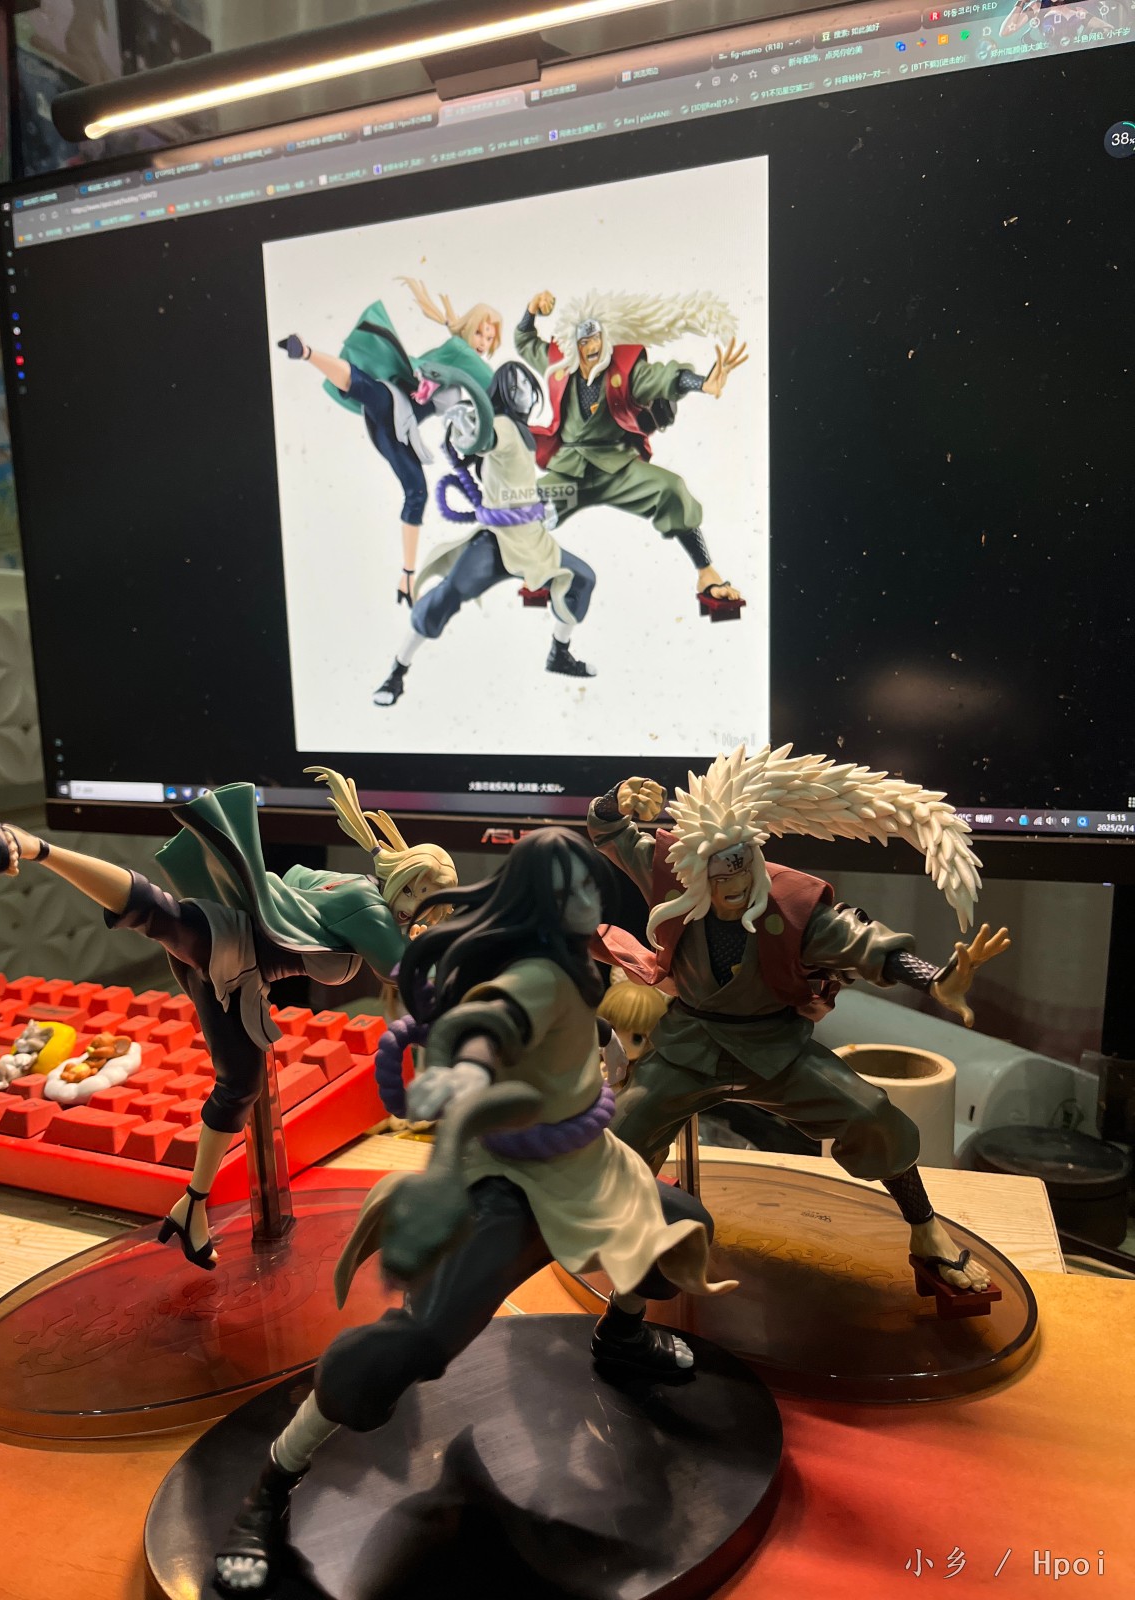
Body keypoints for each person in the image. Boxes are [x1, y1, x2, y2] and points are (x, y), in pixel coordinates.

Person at [214, 828, 735, 1594]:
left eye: (588, 885)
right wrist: (468, 1070)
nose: (588, 899)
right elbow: (492, 1026)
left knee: (675, 1230)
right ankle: (270, 1485)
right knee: (414, 1345)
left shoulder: (576, 958)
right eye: (572, 888)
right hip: (511, 1187)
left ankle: (621, 1339)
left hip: (586, 1170)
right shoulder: (532, 975)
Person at [0, 769, 456, 1269]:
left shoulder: (354, 884)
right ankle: (35, 847)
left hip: (237, 970)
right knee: (158, 915)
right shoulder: (370, 908)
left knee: (239, 1083)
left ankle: (191, 1208)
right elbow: (402, 973)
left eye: (432, 902)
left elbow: (297, 885)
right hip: (231, 950)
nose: (422, 909)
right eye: (421, 894)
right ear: (404, 879)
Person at [588, 746, 1011, 1303]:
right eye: (721, 877)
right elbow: (610, 832)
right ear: (696, 873)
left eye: (743, 868)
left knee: (872, 1116)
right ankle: (634, 1230)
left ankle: (925, 1230)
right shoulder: (671, 874)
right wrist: (615, 800)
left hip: (774, 1049)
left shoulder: (790, 906)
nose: (735, 886)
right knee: (623, 1132)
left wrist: (934, 979)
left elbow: (864, 944)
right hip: (688, 1045)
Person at [372, 359, 598, 707]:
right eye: (516, 384)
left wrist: (540, 504)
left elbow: (515, 477)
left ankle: (559, 654)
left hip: (533, 540)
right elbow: (482, 440)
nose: (525, 390)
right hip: (498, 543)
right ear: (504, 391)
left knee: (582, 578)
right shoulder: (503, 425)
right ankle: (397, 671)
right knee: (448, 594)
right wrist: (465, 428)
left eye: (527, 383)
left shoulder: (521, 431)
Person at [516, 287, 748, 618]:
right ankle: (535, 568)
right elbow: (525, 342)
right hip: (571, 471)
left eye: (596, 339)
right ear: (573, 344)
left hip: (618, 467)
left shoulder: (623, 370)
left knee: (671, 488)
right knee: (527, 505)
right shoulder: (559, 363)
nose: (592, 347)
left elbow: (663, 377)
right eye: (585, 341)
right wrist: (530, 311)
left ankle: (706, 573)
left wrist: (701, 383)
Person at [276, 277, 500, 605]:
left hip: (396, 430)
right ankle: (306, 352)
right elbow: (493, 384)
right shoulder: (462, 351)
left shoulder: (458, 351)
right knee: (368, 389)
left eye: (490, 337)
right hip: (396, 403)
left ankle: (407, 576)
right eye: (480, 332)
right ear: (468, 330)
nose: (483, 342)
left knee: (417, 492)